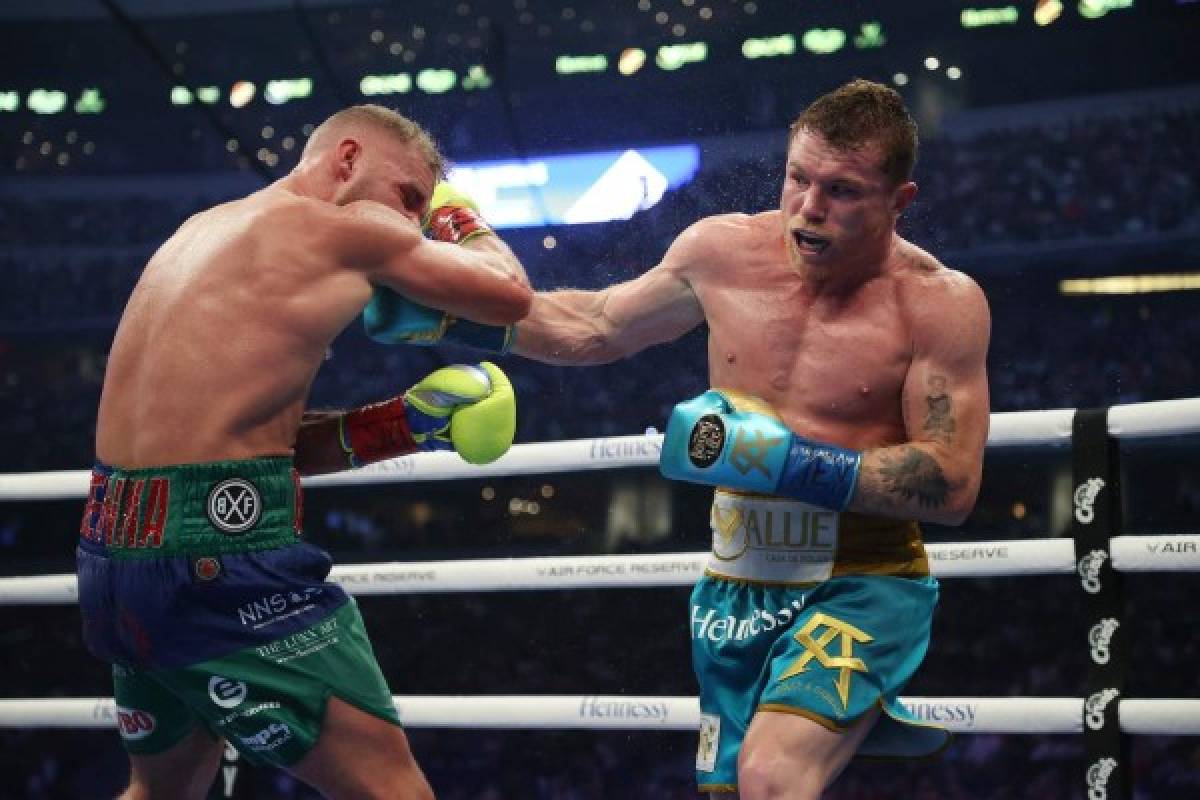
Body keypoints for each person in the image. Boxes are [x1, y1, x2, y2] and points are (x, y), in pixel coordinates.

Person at [371, 79, 990, 798]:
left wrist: (783, 461)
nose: (810, 208)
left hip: (863, 580)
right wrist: (455, 314)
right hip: (737, 579)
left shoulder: (938, 302)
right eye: (798, 178)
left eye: (843, 191)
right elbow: (595, 325)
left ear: (899, 201)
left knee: (771, 780)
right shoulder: (721, 252)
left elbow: (951, 482)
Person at [77, 104, 531, 800]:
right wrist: (453, 212)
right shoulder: (346, 227)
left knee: (159, 793)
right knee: (393, 791)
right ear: (346, 160)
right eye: (407, 194)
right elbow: (508, 295)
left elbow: (246, 445)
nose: (409, 221)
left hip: (115, 559)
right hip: (219, 562)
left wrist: (406, 423)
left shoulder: (200, 230)